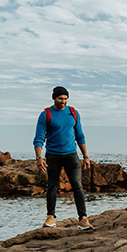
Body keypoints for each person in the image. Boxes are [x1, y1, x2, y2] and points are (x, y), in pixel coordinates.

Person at [33, 86, 93, 230]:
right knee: (52, 186)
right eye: (61, 99)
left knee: (77, 186)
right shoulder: (46, 114)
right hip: (53, 155)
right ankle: (50, 217)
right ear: (54, 98)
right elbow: (39, 138)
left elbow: (80, 136)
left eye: (65, 99)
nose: (63, 101)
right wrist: (39, 157)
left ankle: (83, 219)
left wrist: (85, 156)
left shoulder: (73, 113)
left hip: (71, 155)